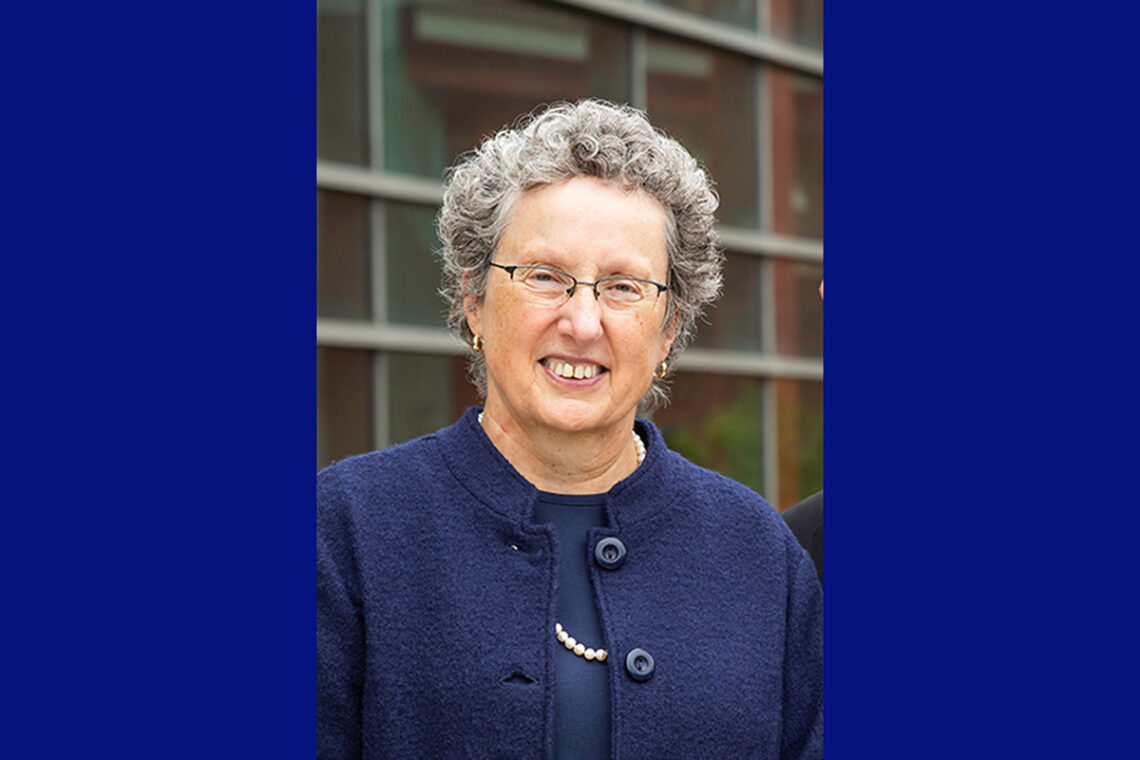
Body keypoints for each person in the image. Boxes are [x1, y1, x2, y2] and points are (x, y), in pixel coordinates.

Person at [317, 99, 823, 759]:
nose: (582, 323)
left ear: (669, 327)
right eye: (546, 277)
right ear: (474, 300)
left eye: (622, 287)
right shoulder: (344, 530)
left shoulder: (760, 553)